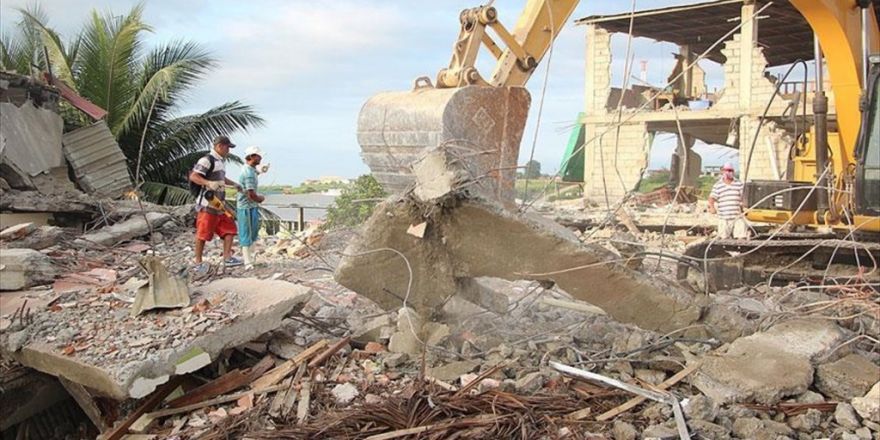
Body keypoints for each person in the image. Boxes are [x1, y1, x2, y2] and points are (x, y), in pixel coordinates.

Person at [189, 135, 244, 270]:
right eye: (227, 148)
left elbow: (222, 178)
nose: (228, 151)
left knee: (230, 229)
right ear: (219, 146)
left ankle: (227, 257)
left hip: (219, 204)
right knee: (203, 233)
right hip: (208, 204)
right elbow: (194, 176)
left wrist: (234, 184)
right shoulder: (206, 160)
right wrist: (208, 183)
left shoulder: (220, 162)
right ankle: (198, 262)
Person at [237, 146, 267, 269]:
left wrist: (261, 171)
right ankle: (247, 262)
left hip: (251, 206)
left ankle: (251, 258)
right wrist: (260, 198)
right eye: (258, 156)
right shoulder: (248, 173)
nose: (261, 158)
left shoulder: (251, 170)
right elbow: (251, 194)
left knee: (253, 233)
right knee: (246, 233)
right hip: (246, 207)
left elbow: (254, 174)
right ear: (252, 157)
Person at [708, 162, 749, 239]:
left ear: (733, 172)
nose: (728, 172)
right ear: (723, 171)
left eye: (730, 170)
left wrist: (744, 207)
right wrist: (712, 207)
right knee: (724, 238)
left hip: (737, 216)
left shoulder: (739, 183)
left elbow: (743, 197)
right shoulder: (718, 185)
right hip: (724, 217)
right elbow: (712, 198)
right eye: (726, 170)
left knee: (741, 237)